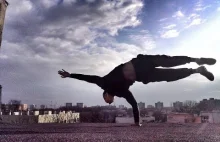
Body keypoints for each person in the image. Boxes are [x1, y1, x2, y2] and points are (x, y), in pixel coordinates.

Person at [58, 54, 216, 126]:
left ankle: (198, 60)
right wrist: (136, 122)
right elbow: (134, 105)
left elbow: (89, 77)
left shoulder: (104, 83)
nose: (108, 101)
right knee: (171, 75)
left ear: (105, 95)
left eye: (106, 100)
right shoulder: (122, 93)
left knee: (169, 62)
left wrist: (71, 75)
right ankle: (198, 70)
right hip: (143, 75)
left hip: (140, 63)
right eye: (108, 102)